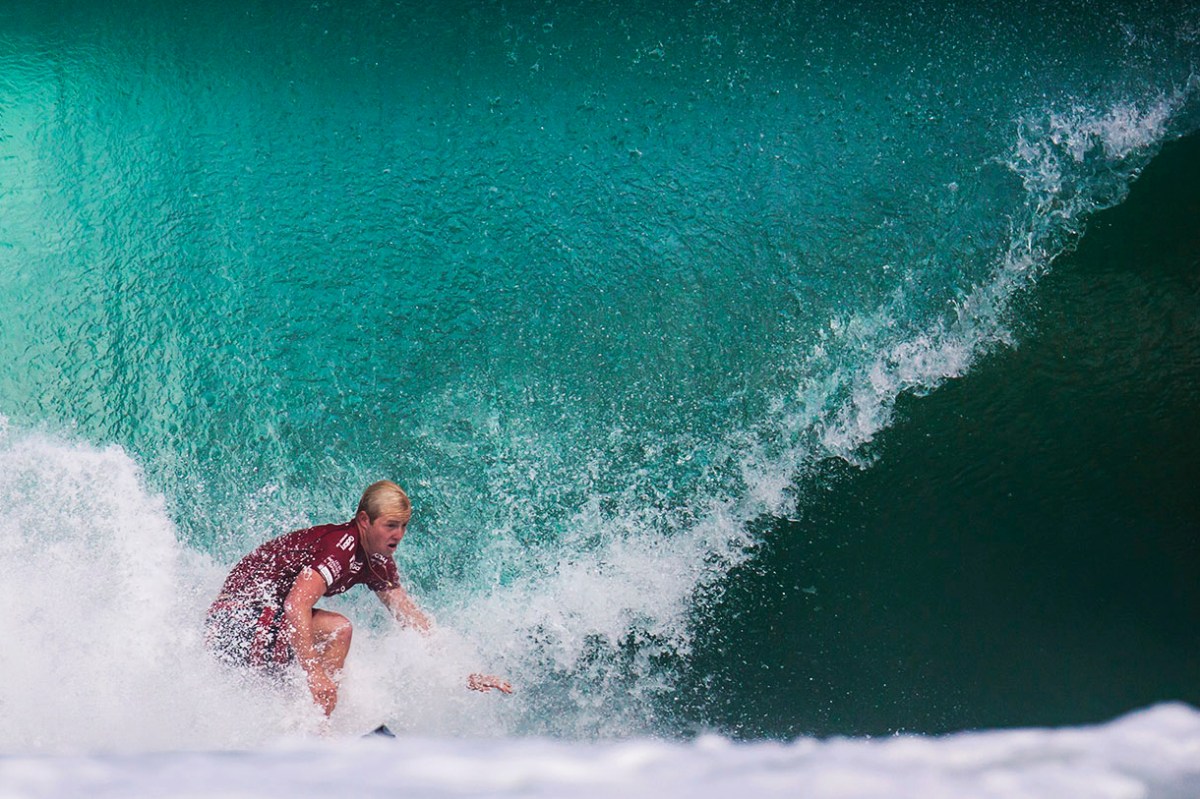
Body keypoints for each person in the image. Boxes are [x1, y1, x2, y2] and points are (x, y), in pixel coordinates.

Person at [205, 480, 511, 716]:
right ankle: (316, 731)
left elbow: (413, 621)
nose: (398, 535)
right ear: (364, 520)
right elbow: (295, 605)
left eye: (403, 525)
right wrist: (315, 675)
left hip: (256, 625)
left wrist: (463, 673)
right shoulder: (340, 546)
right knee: (337, 630)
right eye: (390, 525)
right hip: (232, 623)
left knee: (315, 650)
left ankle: (298, 725)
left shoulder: (376, 560)